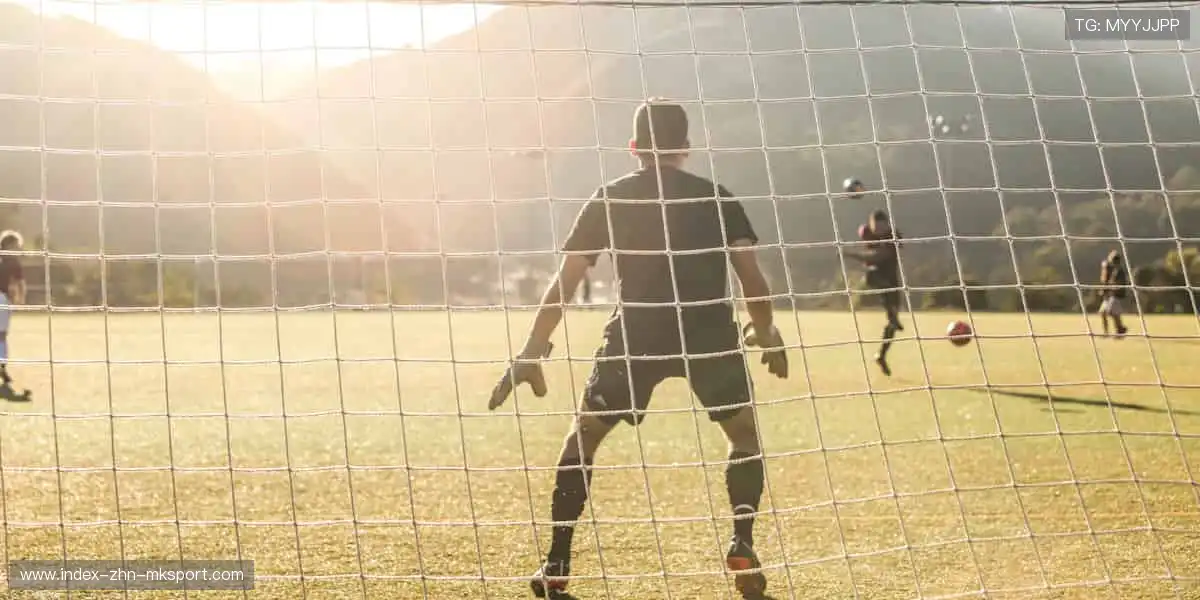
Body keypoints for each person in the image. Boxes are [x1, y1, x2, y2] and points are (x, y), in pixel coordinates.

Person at [487, 99, 789, 599]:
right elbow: (751, 279)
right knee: (742, 437)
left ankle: (557, 563)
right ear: (686, 149)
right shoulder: (717, 198)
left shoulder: (611, 198)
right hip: (708, 332)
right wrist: (767, 331)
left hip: (636, 335)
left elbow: (564, 282)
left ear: (633, 148)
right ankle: (742, 541)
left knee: (583, 441)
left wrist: (533, 349)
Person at [847, 209, 904, 377]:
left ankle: (881, 355)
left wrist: (850, 254)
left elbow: (878, 256)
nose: (877, 230)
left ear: (886, 225)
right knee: (872, 274)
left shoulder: (892, 236)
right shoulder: (868, 233)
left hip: (891, 280)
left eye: (880, 226)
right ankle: (893, 316)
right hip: (876, 277)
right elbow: (871, 260)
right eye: (875, 226)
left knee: (892, 325)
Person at [0, 231, 27, 397]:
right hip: (2, 299)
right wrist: (21, 299)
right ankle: (2, 369)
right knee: (1, 335)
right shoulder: (12, 261)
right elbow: (20, 282)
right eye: (16, 246)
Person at [1098, 250, 1129, 338]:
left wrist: (1110, 290)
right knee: (1103, 313)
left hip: (1116, 296)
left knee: (1112, 312)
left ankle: (1120, 330)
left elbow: (1117, 284)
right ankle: (1108, 332)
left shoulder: (1119, 271)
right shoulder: (1113, 269)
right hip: (1110, 295)